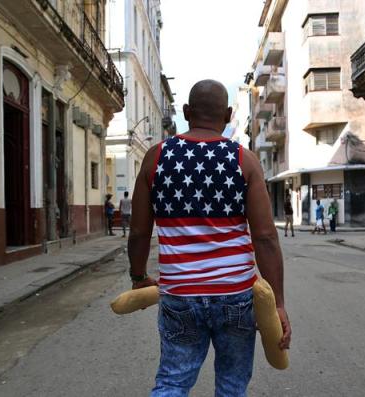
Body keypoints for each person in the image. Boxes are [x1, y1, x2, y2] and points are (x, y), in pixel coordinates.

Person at [127, 79, 291, 397]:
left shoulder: (155, 158)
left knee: (172, 383)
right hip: (236, 295)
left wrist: (138, 277)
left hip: (179, 296)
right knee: (232, 386)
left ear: (187, 112)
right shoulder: (244, 161)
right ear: (229, 115)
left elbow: (138, 232)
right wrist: (279, 305)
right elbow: (266, 238)